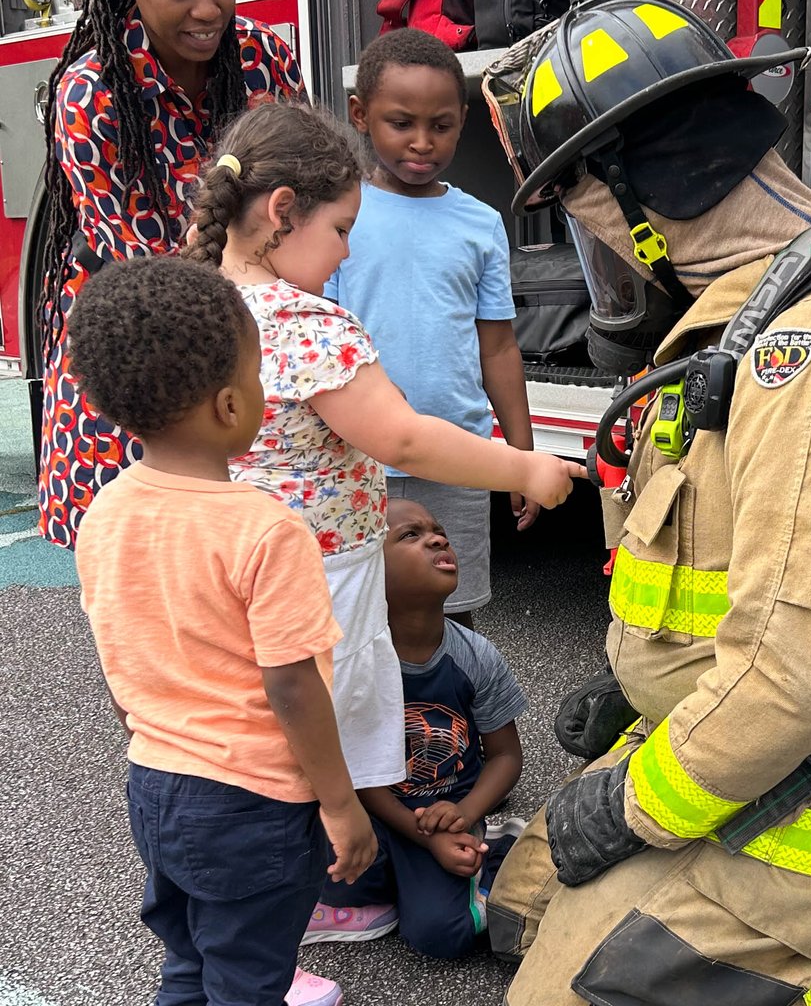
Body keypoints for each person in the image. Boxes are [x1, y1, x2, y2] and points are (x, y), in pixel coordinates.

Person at [482, 0, 811, 1006]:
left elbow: (801, 676)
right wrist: (641, 682)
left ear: (631, 192)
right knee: (515, 908)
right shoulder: (761, 309)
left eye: (583, 219)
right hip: (759, 736)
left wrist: (633, 807)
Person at [184, 100, 582, 889]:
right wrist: (524, 466)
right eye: (339, 229)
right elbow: (401, 437)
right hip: (317, 577)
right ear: (282, 212)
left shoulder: (198, 305)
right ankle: (316, 890)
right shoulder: (305, 321)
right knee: (318, 732)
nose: (344, 253)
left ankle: (275, 883)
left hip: (224, 567)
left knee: (257, 736)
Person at [69, 256, 375, 1006]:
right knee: (247, 981)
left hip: (154, 783)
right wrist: (341, 804)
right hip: (253, 804)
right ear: (231, 405)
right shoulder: (265, 530)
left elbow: (120, 656)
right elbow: (291, 682)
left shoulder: (105, 513)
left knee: (189, 964)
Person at [38, 0, 304, 551]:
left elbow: (308, 197)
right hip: (137, 368)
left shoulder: (265, 61)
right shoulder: (90, 95)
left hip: (256, 358)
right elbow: (149, 280)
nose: (210, 9)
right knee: (147, 594)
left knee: (257, 581)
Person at [325, 27, 538, 630]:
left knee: (452, 617)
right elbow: (327, 338)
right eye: (401, 123)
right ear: (361, 116)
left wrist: (519, 455)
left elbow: (497, 346)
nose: (422, 142)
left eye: (441, 125)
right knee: (360, 618)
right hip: (359, 458)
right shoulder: (342, 217)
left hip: (456, 457)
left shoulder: (480, 222)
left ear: (463, 120)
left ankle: (454, 725)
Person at [305, 497, 527, 956]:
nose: (437, 538)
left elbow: (506, 756)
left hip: (451, 805)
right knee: (316, 861)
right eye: (410, 535)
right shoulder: (353, 660)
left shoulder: (475, 656)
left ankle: (498, 848)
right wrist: (419, 833)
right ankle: (402, 883)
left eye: (437, 531)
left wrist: (462, 818)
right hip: (377, 809)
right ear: (368, 572)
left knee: (442, 935)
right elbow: (353, 769)